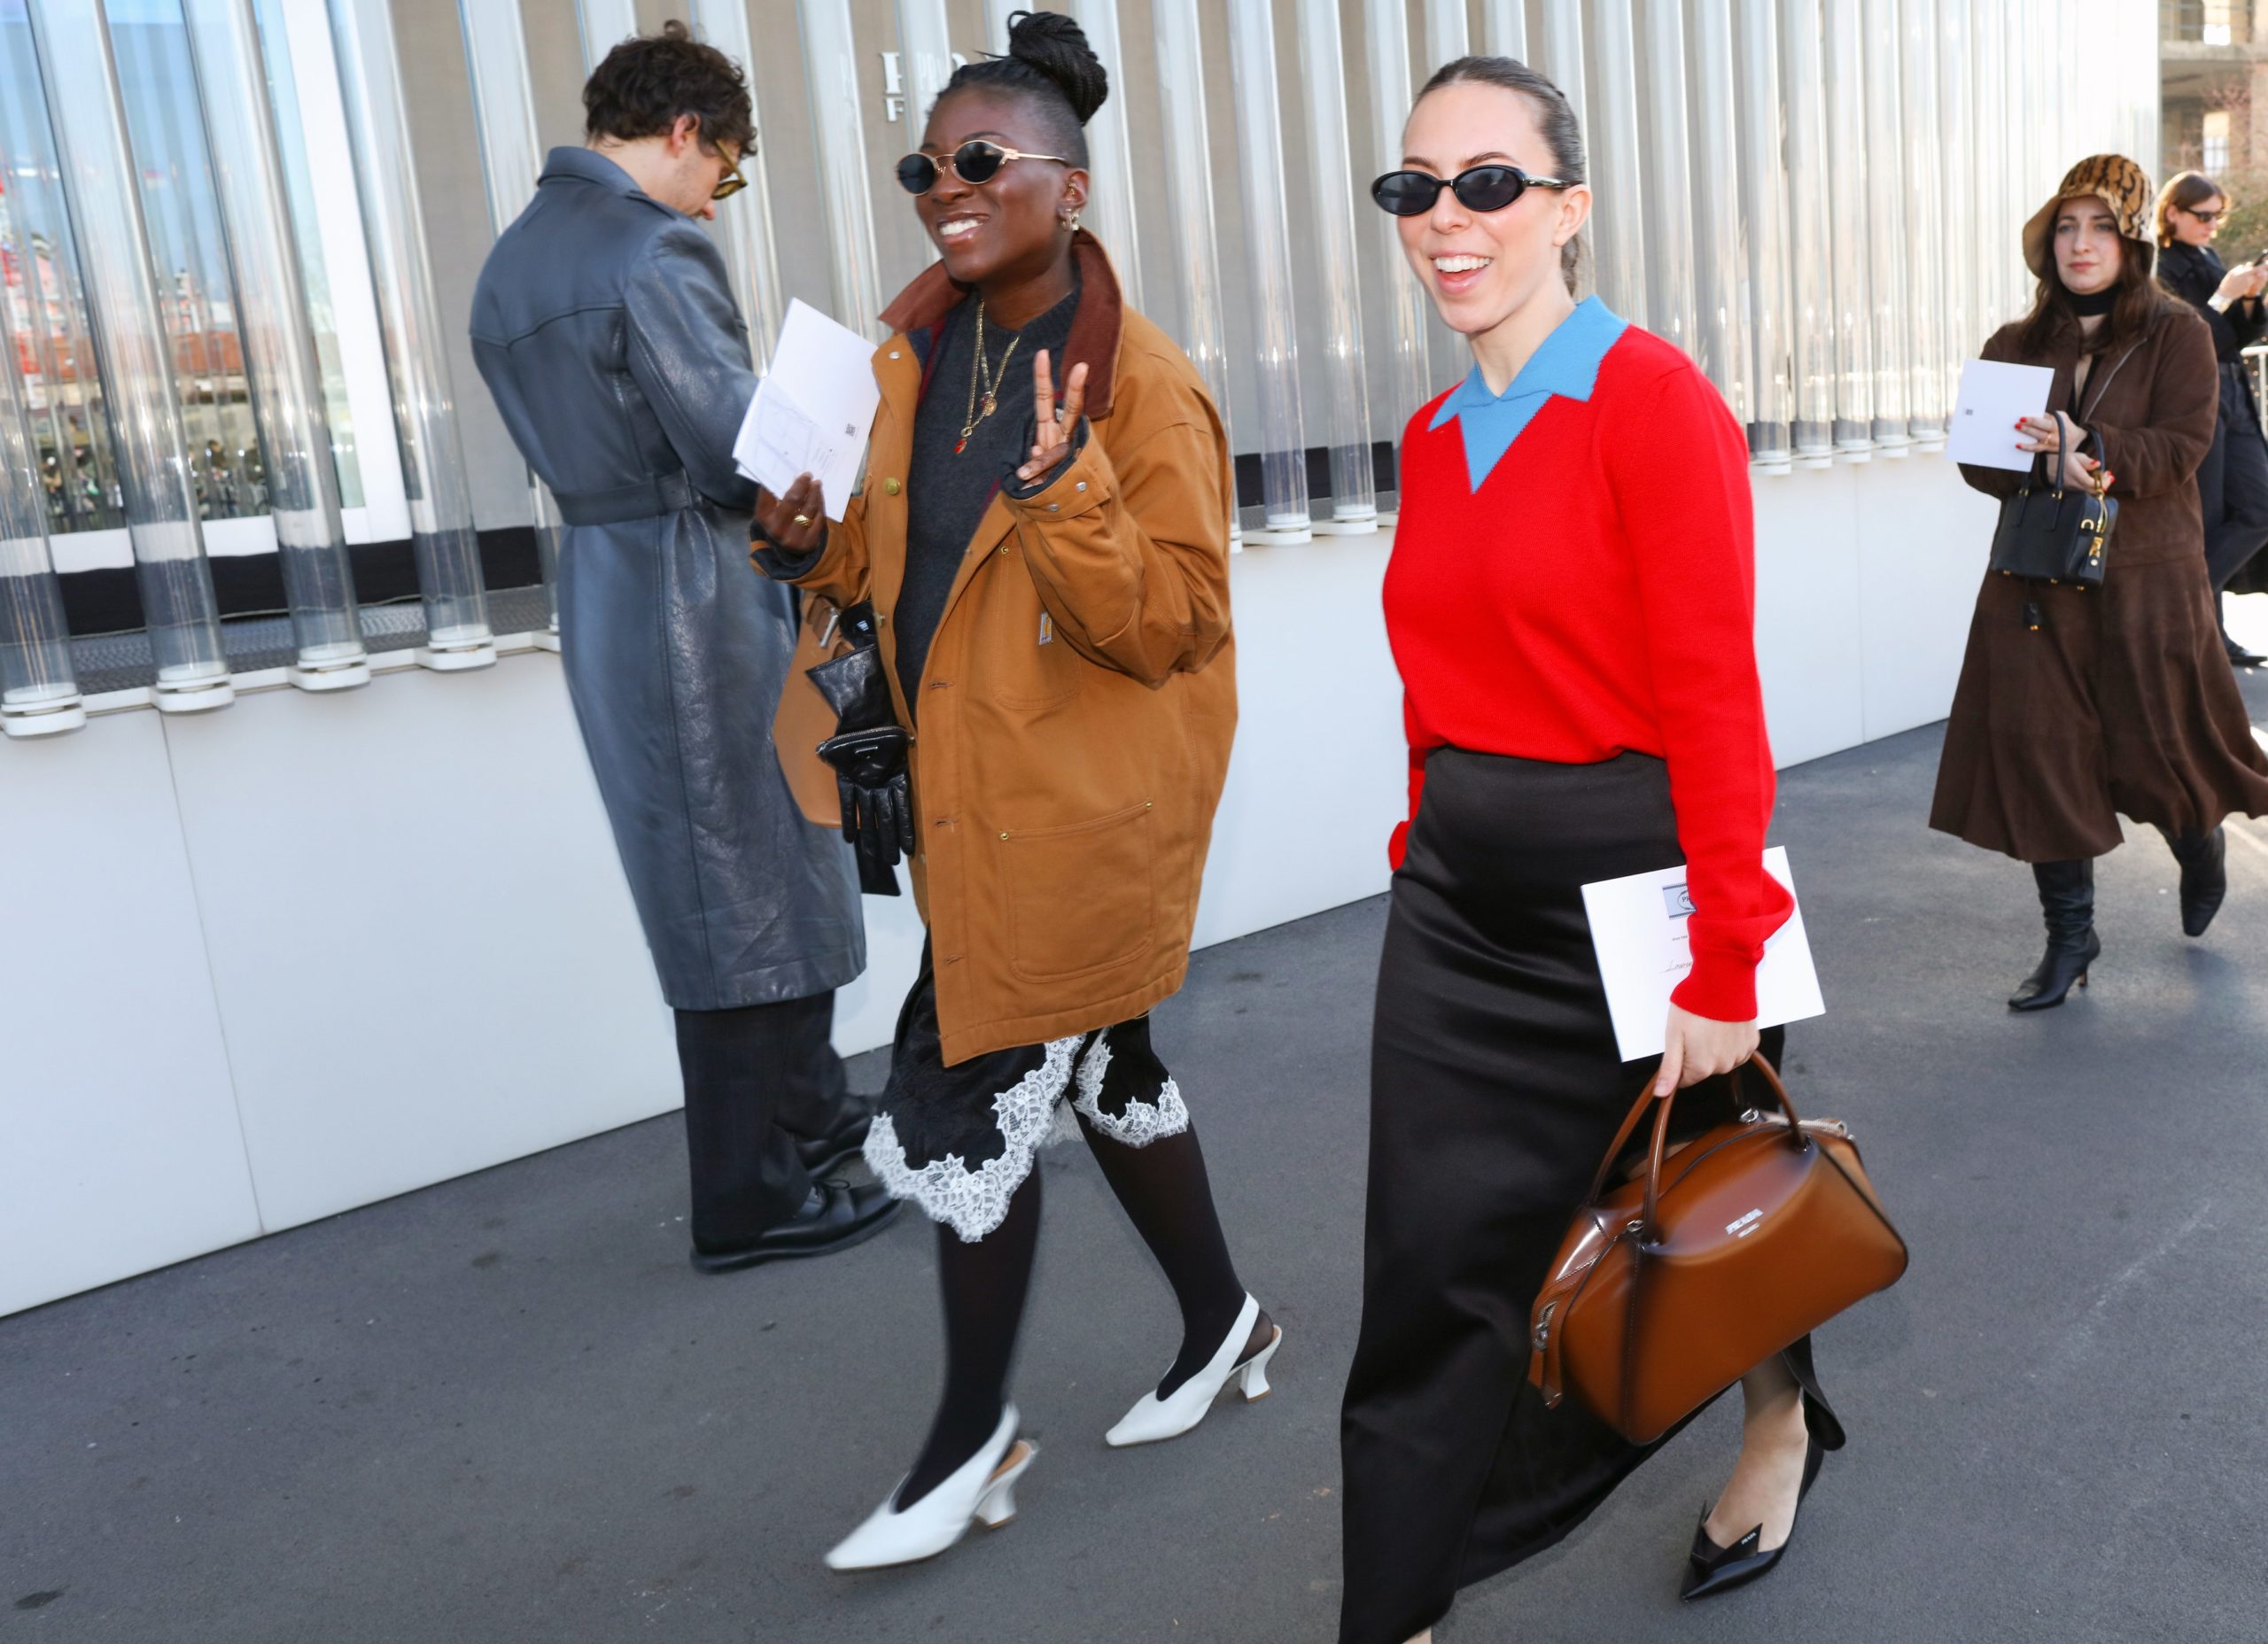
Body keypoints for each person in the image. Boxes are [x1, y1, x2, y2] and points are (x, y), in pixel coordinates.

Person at [748, 10, 1273, 1573]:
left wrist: (1068, 494)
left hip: (1076, 810)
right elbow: (889, 567)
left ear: (1070, 185)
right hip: (960, 787)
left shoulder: (1141, 388)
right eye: (926, 168)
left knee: (960, 1089)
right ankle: (1226, 1321)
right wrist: (809, 548)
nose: (947, 190)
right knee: (1104, 1057)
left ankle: (971, 1435)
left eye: (980, 160)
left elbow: (1174, 622)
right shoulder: (911, 357)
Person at [1339, 57, 1839, 1644]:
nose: (1448, 218)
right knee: (1427, 1276)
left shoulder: (1653, 401)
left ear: (1568, 210)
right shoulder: (1433, 431)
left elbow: (1715, 702)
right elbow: (1435, 670)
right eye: (1415, 188)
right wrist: (1423, 829)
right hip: (1459, 906)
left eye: (1489, 183)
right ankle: (1395, 1610)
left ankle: (1780, 1422)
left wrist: (1726, 960)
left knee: (1705, 1203)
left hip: (1642, 896)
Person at [470, 24, 893, 1271]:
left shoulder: (514, 257)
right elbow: (728, 446)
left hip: (609, 584)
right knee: (744, 878)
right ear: (686, 133)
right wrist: (831, 424)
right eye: (726, 170)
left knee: (724, 870)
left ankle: (807, 1113)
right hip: (693, 589)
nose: (717, 199)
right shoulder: (653, 247)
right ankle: (747, 1195)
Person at [1934, 154, 2268, 1009]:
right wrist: (2022, 454)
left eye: (2101, 227)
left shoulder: (2178, 333)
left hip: (2146, 583)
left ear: (2132, 243)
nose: (2080, 244)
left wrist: (2092, 448)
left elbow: (2183, 448)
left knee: (2162, 753)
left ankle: (2198, 842)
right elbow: (1981, 466)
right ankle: (2071, 938)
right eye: (2066, 227)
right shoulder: (2013, 345)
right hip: (2033, 582)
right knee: (2043, 754)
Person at [2155, 169, 2268, 666]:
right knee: (2208, 517)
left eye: (2217, 217)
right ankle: (2207, 635)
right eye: (2203, 216)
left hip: (2233, 392)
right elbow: (2179, 338)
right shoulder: (2159, 265)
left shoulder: (2208, 256)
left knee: (2258, 507)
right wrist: (2224, 295)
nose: (2211, 225)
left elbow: (2235, 336)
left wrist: (2251, 297)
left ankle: (2187, 611)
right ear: (2172, 212)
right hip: (2195, 398)